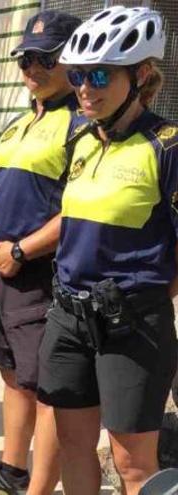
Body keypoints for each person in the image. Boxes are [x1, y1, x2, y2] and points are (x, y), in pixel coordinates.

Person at [38, 7, 177, 495]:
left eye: (99, 75)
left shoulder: (167, 146)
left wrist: (151, 298)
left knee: (132, 462)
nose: (84, 87)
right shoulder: (81, 136)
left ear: (140, 76)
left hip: (132, 324)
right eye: (77, 75)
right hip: (68, 317)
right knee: (73, 445)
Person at [0, 10, 83, 494]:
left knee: (47, 389)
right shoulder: (19, 123)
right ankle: (12, 469)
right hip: (0, 273)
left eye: (43, 58)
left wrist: (24, 251)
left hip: (40, 277)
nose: (31, 68)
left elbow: (79, 208)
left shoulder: (82, 125)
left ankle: (39, 488)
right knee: (13, 377)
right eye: (25, 58)